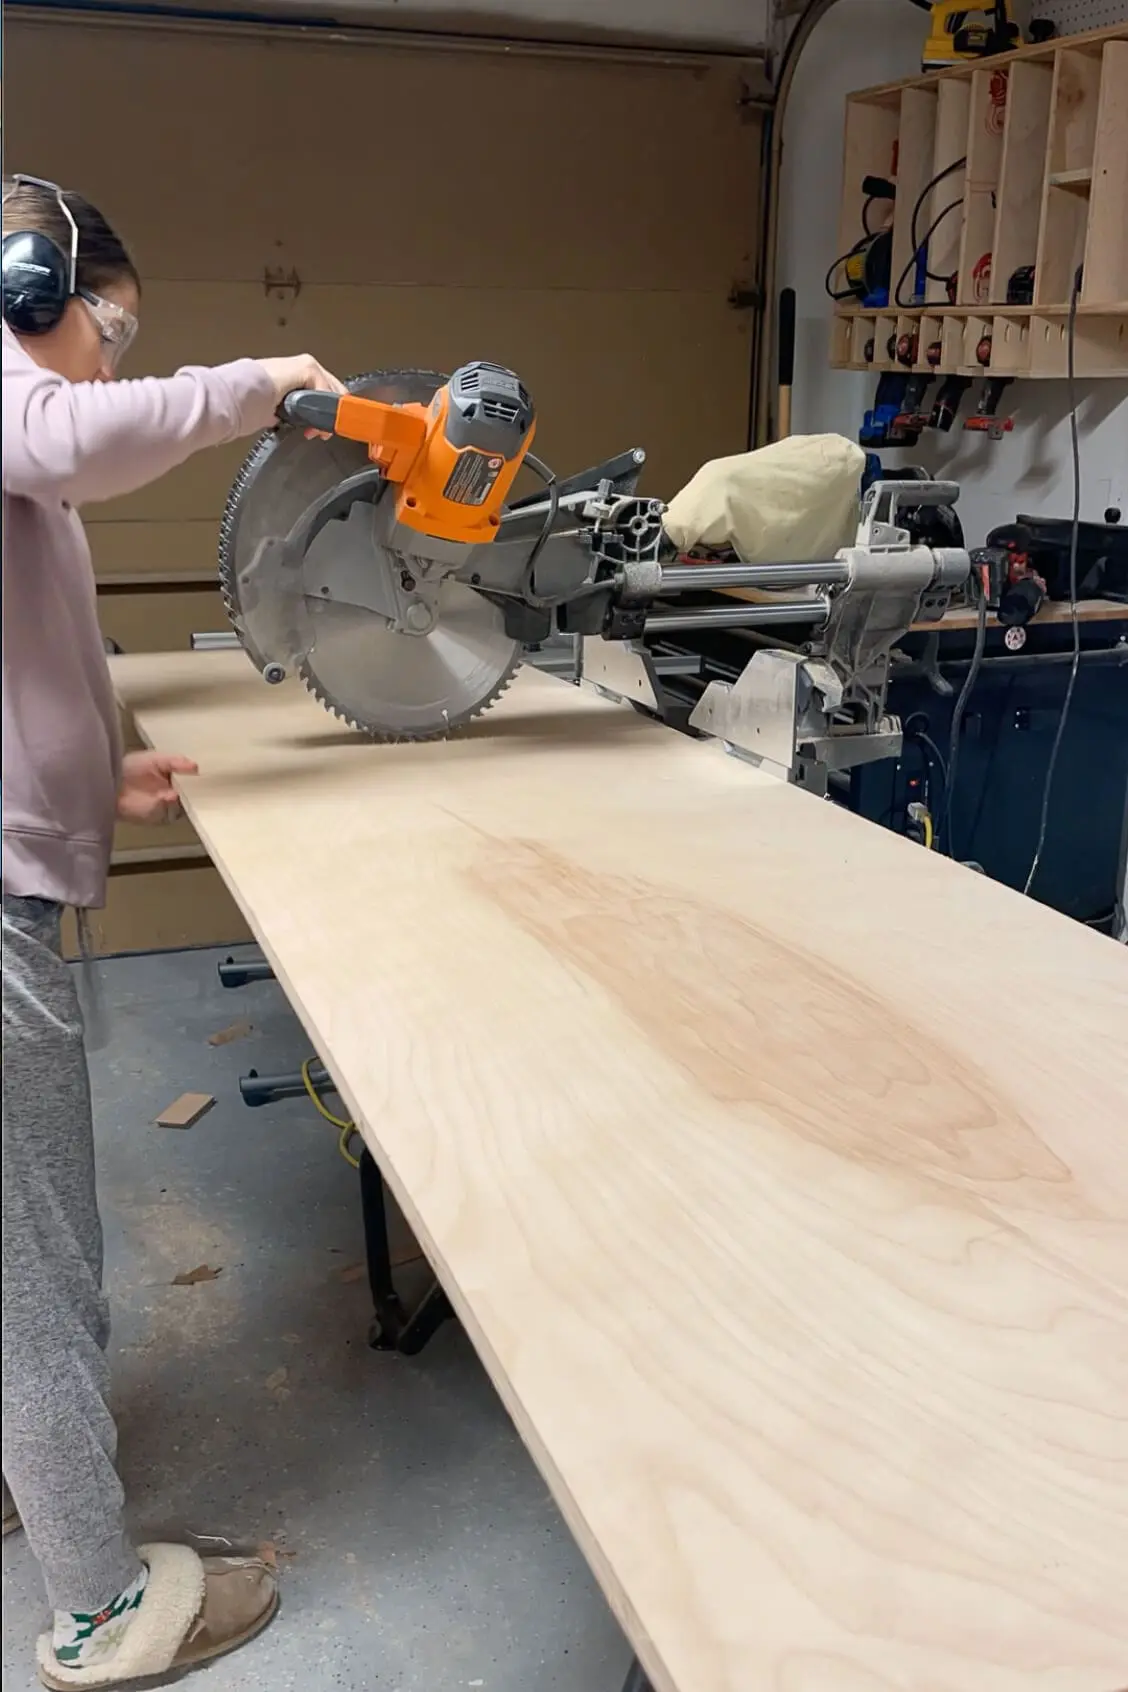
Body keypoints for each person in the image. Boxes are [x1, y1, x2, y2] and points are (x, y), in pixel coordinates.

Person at [2, 173, 345, 1689]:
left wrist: (97, 770)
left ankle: (26, 1474)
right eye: (110, 327)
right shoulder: (26, 410)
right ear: (30, 292)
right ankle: (92, 1607)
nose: (113, 365)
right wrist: (262, 382)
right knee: (37, 1265)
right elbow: (71, 432)